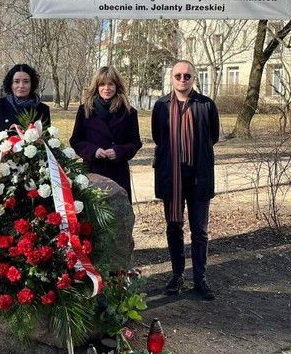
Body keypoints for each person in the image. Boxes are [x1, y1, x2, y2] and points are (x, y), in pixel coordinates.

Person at [151, 60, 220, 300]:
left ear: (194, 78)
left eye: (187, 76)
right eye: (178, 75)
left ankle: (200, 277)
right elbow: (158, 137)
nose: (182, 79)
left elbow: (213, 136)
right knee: (174, 226)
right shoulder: (161, 106)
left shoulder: (206, 105)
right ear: (172, 78)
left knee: (200, 230)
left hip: (199, 176)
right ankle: (177, 275)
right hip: (172, 177)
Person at [70, 66, 142, 201]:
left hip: (118, 172)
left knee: (119, 211)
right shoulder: (85, 110)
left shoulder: (129, 112)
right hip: (93, 170)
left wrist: (118, 151)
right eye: (102, 84)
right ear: (96, 87)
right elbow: (76, 140)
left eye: (111, 84)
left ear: (117, 86)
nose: (106, 88)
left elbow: (135, 142)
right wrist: (93, 151)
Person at [0, 64, 51, 153]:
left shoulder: (42, 109)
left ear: (32, 84)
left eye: (26, 81)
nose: (21, 86)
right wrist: (9, 155)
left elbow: (46, 140)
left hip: (33, 159)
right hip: (3, 159)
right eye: (16, 81)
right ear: (11, 84)